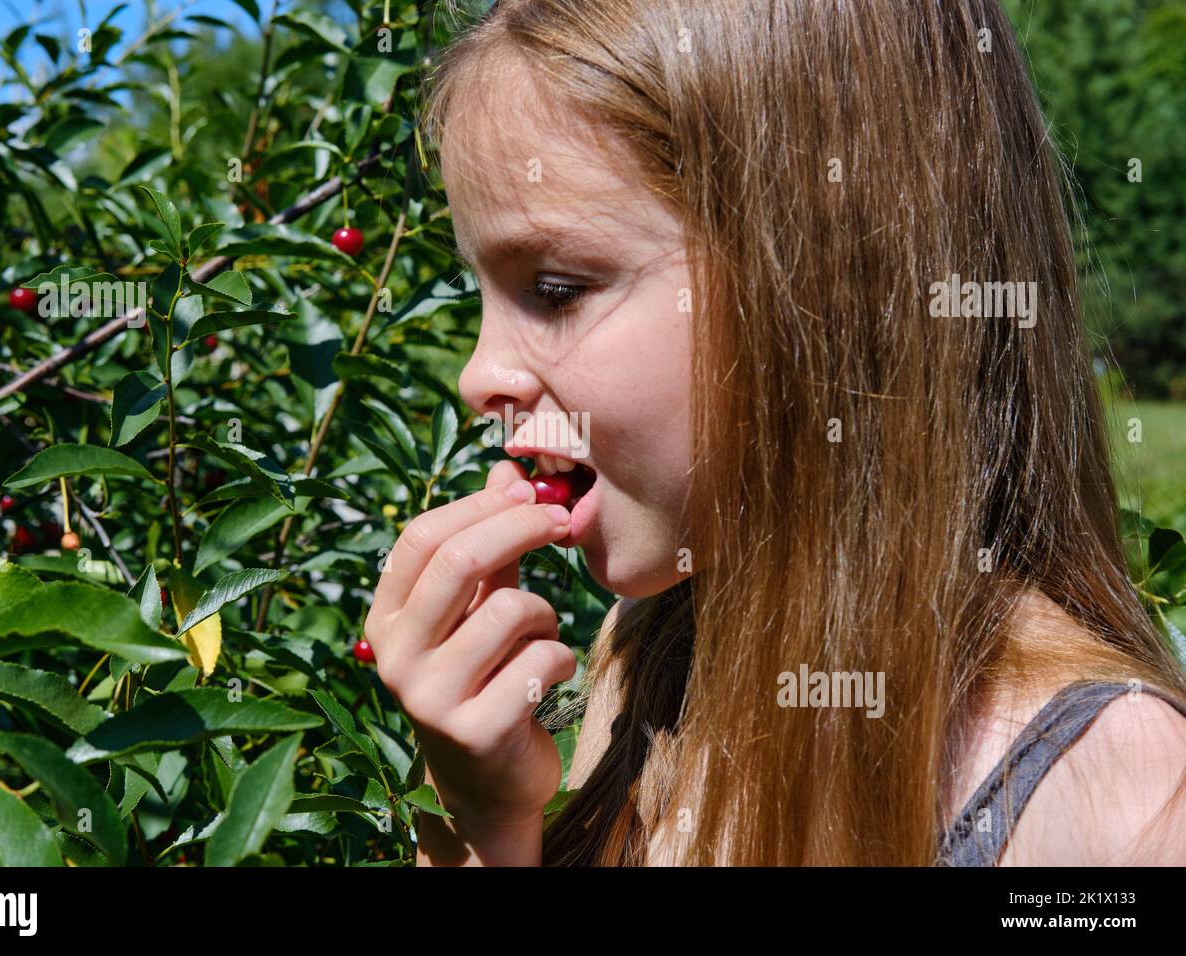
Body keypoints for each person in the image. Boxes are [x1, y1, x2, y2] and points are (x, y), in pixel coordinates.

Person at [361, 0, 1186, 865]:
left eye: (558, 288)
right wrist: (477, 823)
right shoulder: (650, 655)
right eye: (480, 290)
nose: (479, 373)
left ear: (834, 286)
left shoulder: (1114, 804)